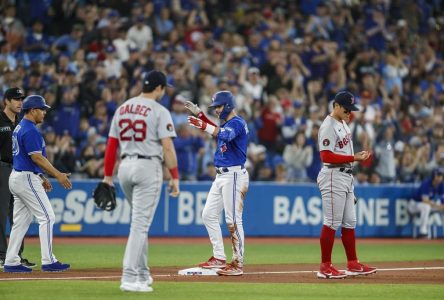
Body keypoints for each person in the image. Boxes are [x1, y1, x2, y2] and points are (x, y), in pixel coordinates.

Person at [101, 70, 180, 292]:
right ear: (158, 88)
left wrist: (108, 176)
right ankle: (129, 277)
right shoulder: (159, 110)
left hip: (124, 168)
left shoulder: (122, 108)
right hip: (148, 167)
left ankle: (143, 273)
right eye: (164, 88)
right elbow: (167, 147)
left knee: (139, 223)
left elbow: (111, 146)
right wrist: (174, 176)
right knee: (140, 225)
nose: (164, 92)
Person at [3, 95, 72, 273]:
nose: (44, 113)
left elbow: (27, 157)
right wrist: (58, 174)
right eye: (42, 109)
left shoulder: (20, 127)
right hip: (25, 178)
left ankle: (10, 260)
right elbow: (37, 157)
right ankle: (48, 260)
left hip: (18, 176)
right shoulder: (30, 130)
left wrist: (41, 176)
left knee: (20, 222)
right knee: (47, 217)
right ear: (32, 110)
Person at [185, 91, 249, 276]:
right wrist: (200, 115)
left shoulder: (237, 122)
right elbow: (218, 130)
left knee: (233, 221)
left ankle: (238, 264)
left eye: (219, 106)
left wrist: (203, 124)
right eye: (215, 107)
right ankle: (219, 257)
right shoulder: (228, 123)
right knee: (208, 214)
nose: (217, 110)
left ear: (228, 105)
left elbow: (225, 135)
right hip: (222, 176)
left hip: (234, 175)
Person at [316, 91, 376, 279]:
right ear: (336, 106)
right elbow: (325, 156)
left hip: (346, 176)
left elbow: (341, 152)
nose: (350, 112)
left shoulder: (343, 124)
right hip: (333, 175)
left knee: (350, 222)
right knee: (332, 222)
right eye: (347, 109)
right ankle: (325, 266)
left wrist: (356, 157)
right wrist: (354, 157)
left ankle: (353, 263)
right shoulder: (328, 126)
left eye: (351, 109)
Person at [0, 88, 37, 269]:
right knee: (1, 214)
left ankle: (15, 256)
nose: (19, 102)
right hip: (2, 168)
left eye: (21, 99)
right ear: (6, 101)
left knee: (20, 216)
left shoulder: (22, 123)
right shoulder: (0, 120)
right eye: (15, 99)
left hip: (18, 171)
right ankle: (1, 255)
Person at [408, 168, 444, 238]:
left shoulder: (441, 185)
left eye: (441, 176)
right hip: (414, 204)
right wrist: (439, 206)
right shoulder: (427, 183)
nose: (440, 177)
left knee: (432, 207)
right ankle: (423, 232)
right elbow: (425, 200)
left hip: (429, 204)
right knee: (426, 207)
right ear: (434, 175)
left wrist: (442, 206)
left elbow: (443, 199)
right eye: (439, 175)